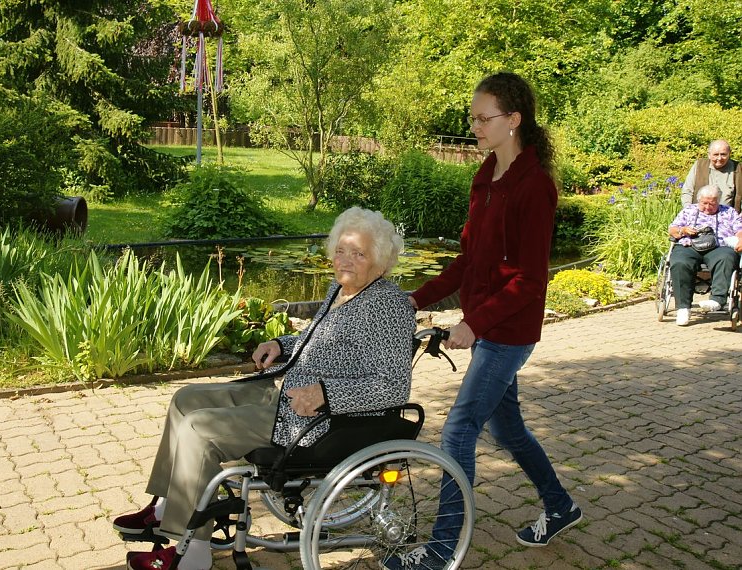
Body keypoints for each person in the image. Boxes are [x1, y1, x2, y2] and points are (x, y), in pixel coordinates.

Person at [114, 207, 416, 570]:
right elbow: (316, 340)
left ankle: (191, 551)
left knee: (199, 428)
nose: (345, 260)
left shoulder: (390, 306)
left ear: (381, 263)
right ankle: (169, 504)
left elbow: (394, 386)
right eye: (341, 250)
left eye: (359, 253)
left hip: (316, 419)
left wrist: (325, 395)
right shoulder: (341, 289)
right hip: (288, 393)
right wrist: (280, 344)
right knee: (185, 399)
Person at [382, 72, 580, 570]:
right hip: (488, 323)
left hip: (509, 332)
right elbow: (468, 259)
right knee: (507, 428)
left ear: (513, 120)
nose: (474, 126)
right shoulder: (486, 174)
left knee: (459, 430)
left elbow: (531, 281)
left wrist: (475, 323)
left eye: (482, 117)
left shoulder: (535, 187)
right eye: (472, 117)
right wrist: (417, 297)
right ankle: (561, 506)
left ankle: (441, 552)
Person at [668, 184, 742, 326]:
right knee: (679, 262)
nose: (708, 207)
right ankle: (683, 308)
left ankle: (717, 300)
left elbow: (739, 229)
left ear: (718, 201)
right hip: (689, 245)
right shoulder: (689, 210)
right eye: (704, 203)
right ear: (698, 200)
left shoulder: (729, 212)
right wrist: (683, 230)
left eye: (712, 204)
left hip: (719, 246)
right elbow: (672, 229)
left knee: (727, 257)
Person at [680, 140, 742, 212]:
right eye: (716, 154)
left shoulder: (738, 168)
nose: (719, 158)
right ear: (709, 155)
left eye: (723, 154)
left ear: (729, 154)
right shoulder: (699, 165)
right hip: (700, 214)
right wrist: (689, 210)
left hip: (728, 217)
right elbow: (687, 191)